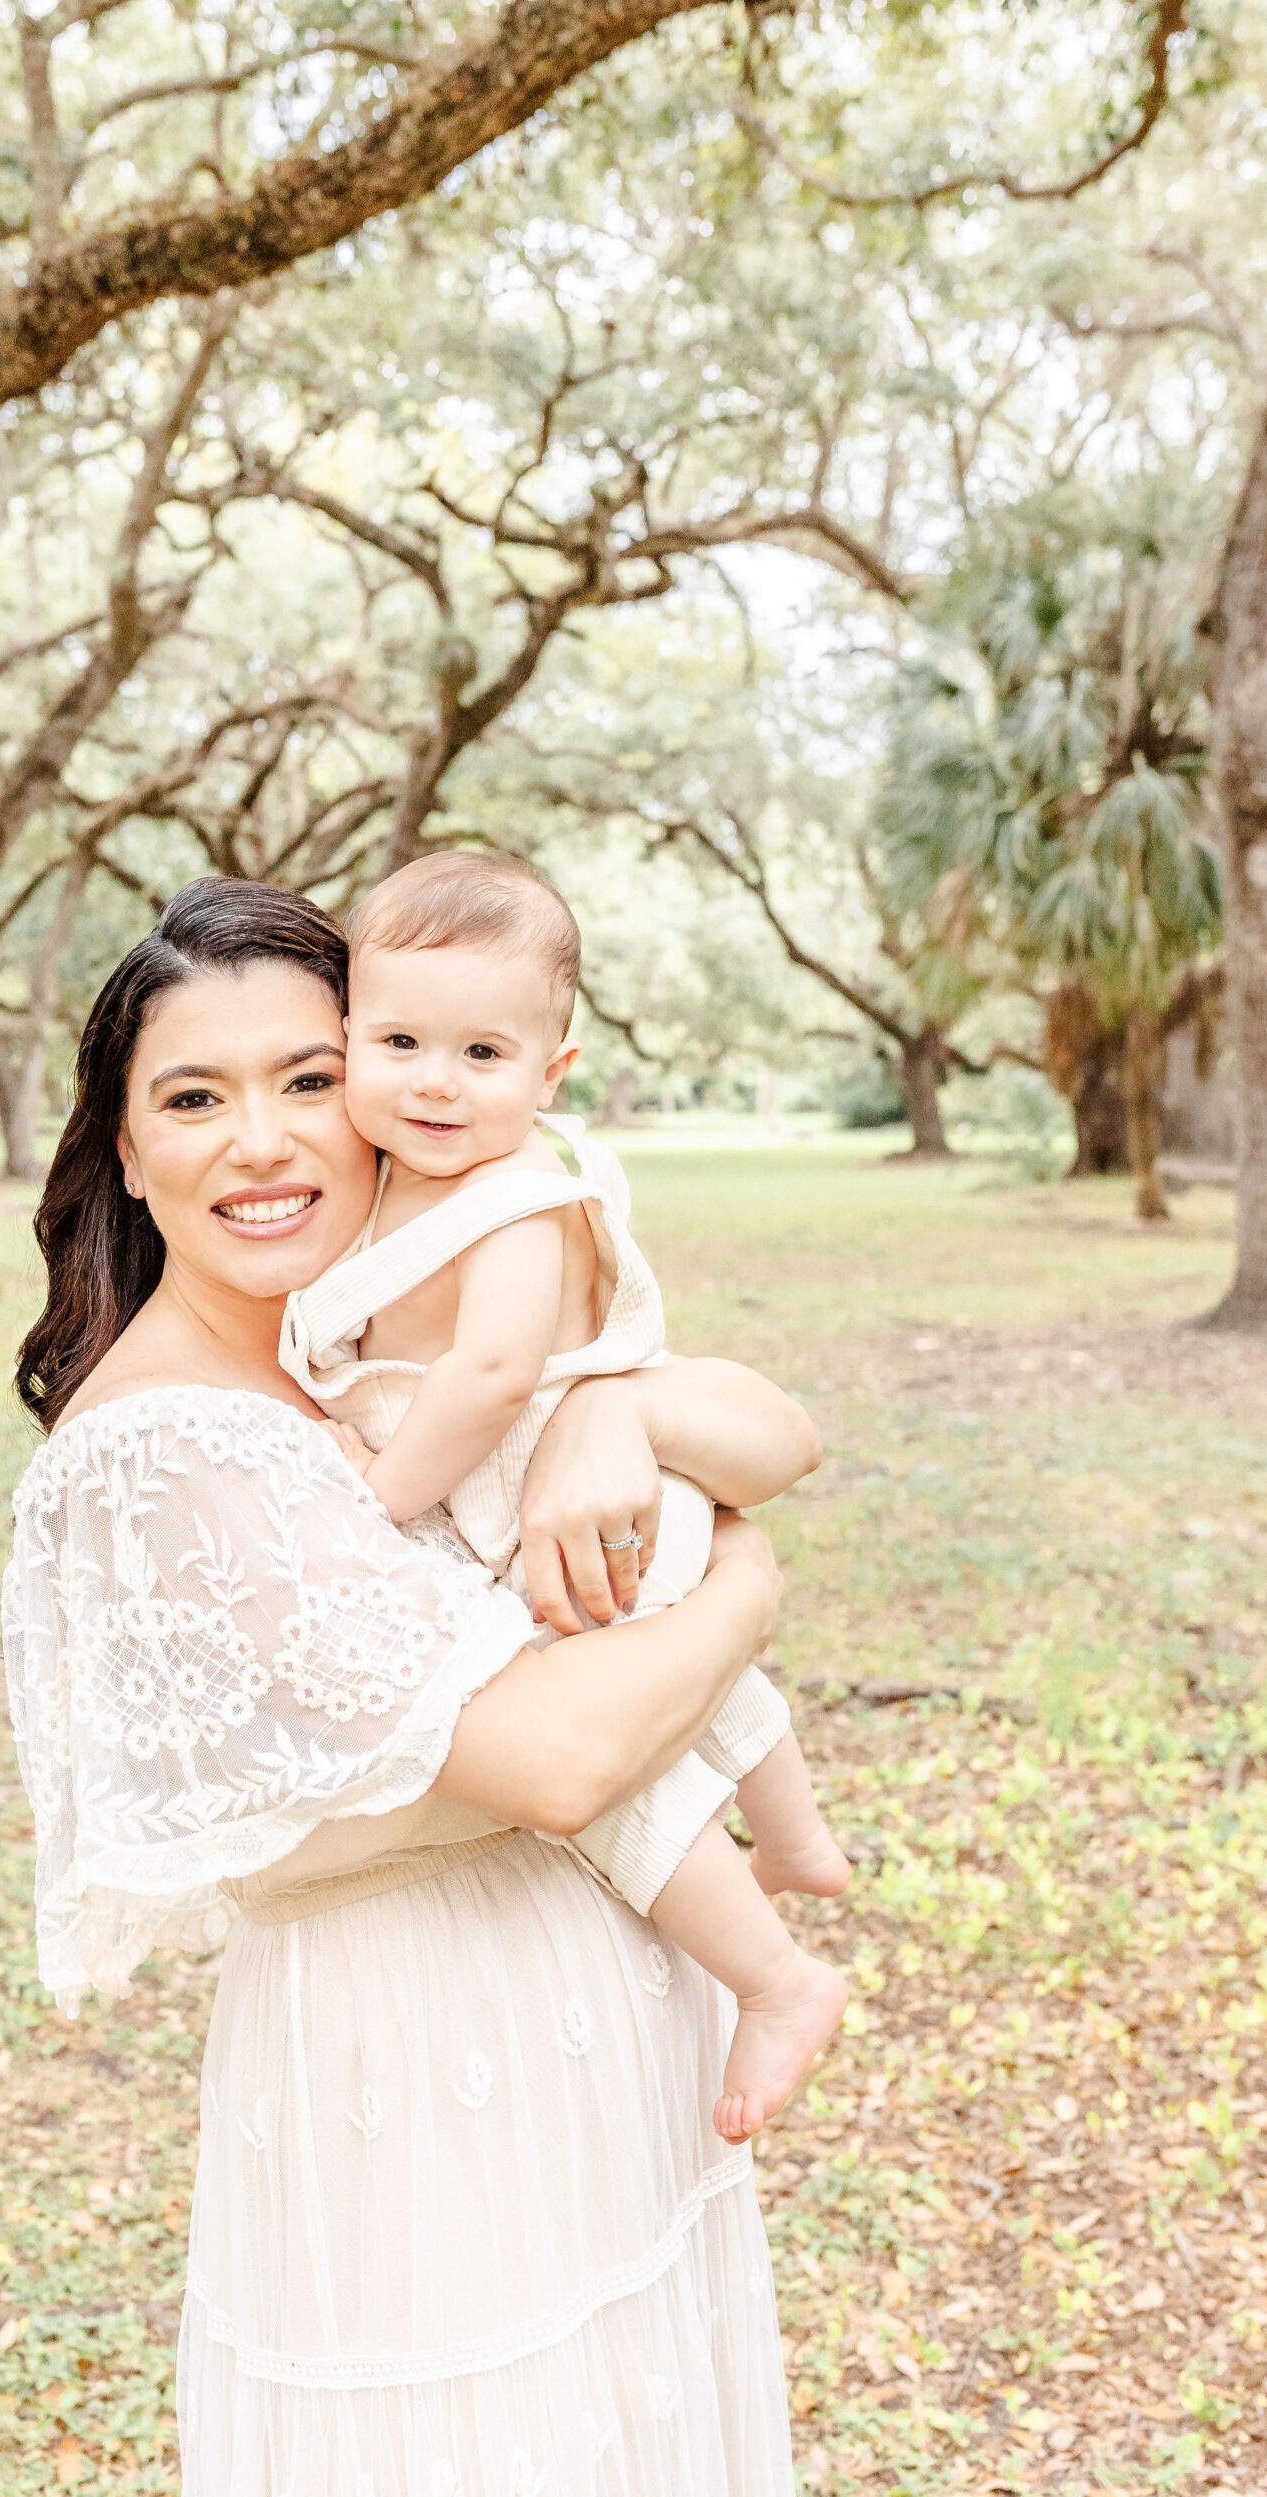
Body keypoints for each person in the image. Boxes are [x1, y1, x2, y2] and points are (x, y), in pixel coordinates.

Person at [6, 877, 812, 2497]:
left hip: (592, 2020)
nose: (265, 1141)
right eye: (194, 1098)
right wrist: (746, 1595)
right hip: (417, 2064)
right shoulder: (162, 1445)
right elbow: (558, 1755)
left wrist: (620, 1408)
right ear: (125, 1151)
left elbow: (782, 1433)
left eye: (310, 1078)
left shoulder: (379, 1347)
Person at [280, 852, 847, 2143]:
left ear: (554, 1072)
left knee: (625, 1762)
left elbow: (488, 1379)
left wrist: (380, 1496)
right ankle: (797, 1833)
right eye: (401, 1041)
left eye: (482, 1054)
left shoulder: (517, 1207)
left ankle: (774, 1975)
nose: (434, 1079)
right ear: (349, 1036)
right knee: (690, 1668)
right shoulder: (395, 1187)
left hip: (570, 1503)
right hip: (587, 1503)